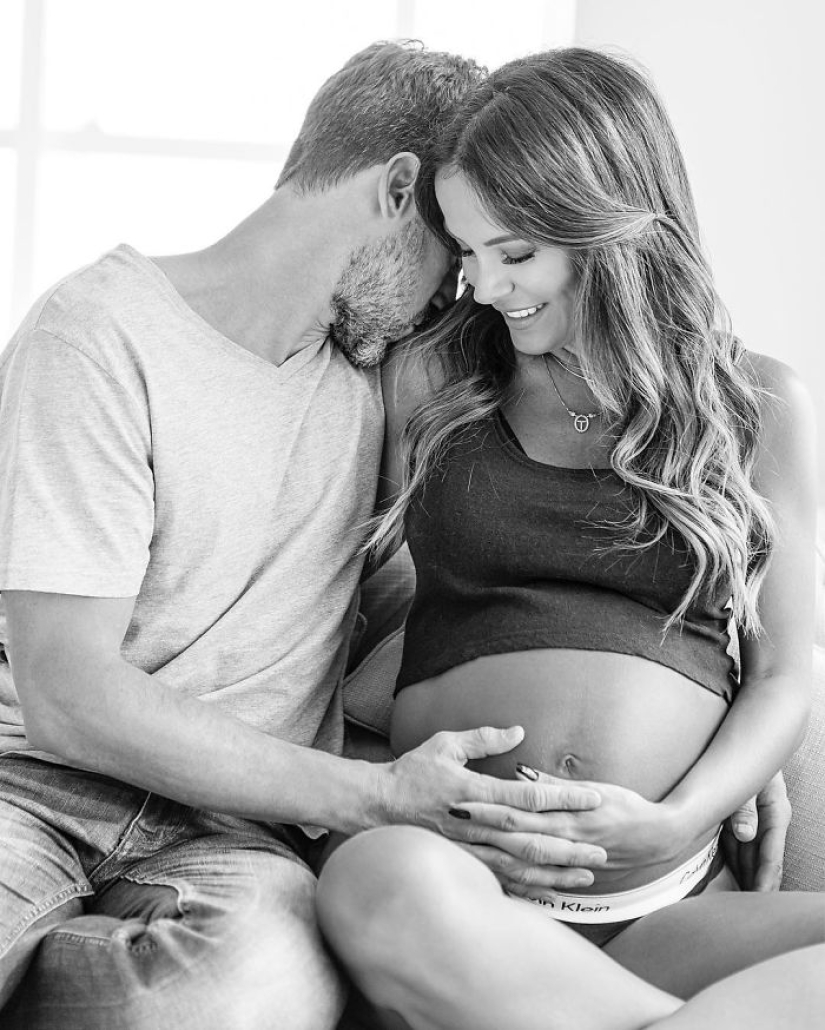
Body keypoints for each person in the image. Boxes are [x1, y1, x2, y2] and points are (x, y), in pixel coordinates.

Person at [0, 41, 625, 1030]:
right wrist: (374, 794)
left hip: (230, 839)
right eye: (452, 253)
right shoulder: (98, 333)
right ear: (397, 190)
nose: (460, 294)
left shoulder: (385, 375)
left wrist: (719, 705)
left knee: (250, 992)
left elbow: (497, 553)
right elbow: (69, 697)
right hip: (32, 792)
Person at [316, 48, 825, 1029]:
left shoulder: (758, 404)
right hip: (455, 881)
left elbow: (780, 678)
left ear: (608, 226)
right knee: (374, 881)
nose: (484, 288)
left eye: (514, 254)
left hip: (659, 901)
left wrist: (678, 818)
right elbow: (338, 590)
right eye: (467, 253)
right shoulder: (433, 381)